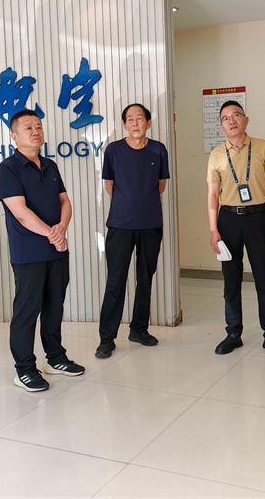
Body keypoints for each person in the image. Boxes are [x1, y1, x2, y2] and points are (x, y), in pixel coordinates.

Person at [0, 109, 85, 392]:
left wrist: (61, 229)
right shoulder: (8, 169)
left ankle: (55, 358)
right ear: (14, 136)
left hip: (57, 250)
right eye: (28, 128)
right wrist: (53, 234)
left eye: (38, 126)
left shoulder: (50, 165)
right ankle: (24, 369)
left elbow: (65, 201)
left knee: (54, 307)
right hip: (29, 253)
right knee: (27, 312)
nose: (35, 131)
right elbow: (20, 212)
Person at [206, 100, 265, 357]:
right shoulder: (216, 155)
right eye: (225, 118)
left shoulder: (263, 147)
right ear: (221, 126)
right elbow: (212, 195)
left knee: (264, 278)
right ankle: (233, 333)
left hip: (258, 218)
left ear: (246, 120)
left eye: (236, 115)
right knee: (231, 280)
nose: (231, 121)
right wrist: (213, 229)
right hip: (228, 220)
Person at [96, 103, 170, 358]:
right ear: (124, 125)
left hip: (150, 224)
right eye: (130, 119)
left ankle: (139, 329)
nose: (135, 122)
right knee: (115, 280)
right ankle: (107, 338)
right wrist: (126, 205)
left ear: (148, 123)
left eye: (140, 118)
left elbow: (160, 185)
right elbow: (109, 185)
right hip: (120, 224)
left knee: (145, 278)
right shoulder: (113, 150)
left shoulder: (158, 149)